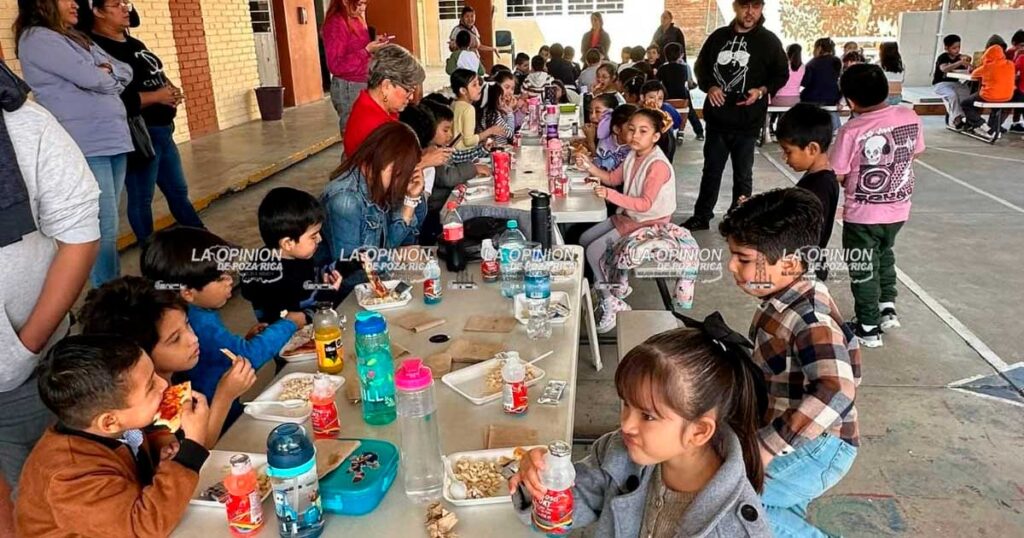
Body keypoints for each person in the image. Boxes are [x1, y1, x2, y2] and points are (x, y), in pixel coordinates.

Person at [510, 321, 771, 537]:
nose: (626, 425)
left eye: (647, 416)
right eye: (626, 404)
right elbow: (564, 511)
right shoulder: (617, 453)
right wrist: (541, 480)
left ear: (699, 431)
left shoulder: (736, 529)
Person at [718, 187, 860, 538]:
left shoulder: (811, 318)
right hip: (798, 436)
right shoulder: (781, 300)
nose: (731, 266)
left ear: (791, 264)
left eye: (743, 259)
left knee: (730, 504)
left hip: (819, 446)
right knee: (774, 513)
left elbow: (838, 390)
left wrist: (766, 446)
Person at [0, 62, 99, 511]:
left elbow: (79, 235)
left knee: (42, 497)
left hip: (21, 369)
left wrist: (26, 347)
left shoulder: (24, 124)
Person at [15, 335, 210, 536]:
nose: (163, 385)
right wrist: (191, 449)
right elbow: (141, 528)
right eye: (151, 386)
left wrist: (163, 461)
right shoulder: (69, 477)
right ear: (109, 422)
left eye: (155, 374)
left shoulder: (120, 426)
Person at [16, 0, 133, 286]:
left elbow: (125, 70)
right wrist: (103, 74)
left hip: (112, 139)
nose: (75, 3)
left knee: (109, 225)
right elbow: (92, 77)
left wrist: (105, 73)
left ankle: (111, 289)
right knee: (101, 228)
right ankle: (108, 296)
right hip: (86, 143)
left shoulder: (74, 37)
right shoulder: (38, 38)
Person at [140, 226, 306, 426]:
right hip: (217, 423)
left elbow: (222, 356)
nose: (230, 280)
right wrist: (289, 324)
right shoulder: (198, 321)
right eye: (220, 278)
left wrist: (243, 343)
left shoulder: (191, 313)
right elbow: (247, 357)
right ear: (188, 293)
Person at [78, 276, 258, 448]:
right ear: (137, 354)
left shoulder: (175, 375)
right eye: (175, 339)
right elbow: (196, 451)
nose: (193, 338)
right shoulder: (145, 406)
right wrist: (224, 396)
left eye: (187, 324)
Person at [81, 0, 204, 245]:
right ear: (97, 11)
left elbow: (155, 72)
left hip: (163, 131)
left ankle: (203, 241)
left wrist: (170, 88)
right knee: (141, 199)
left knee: (178, 191)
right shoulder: (95, 49)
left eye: (126, 3)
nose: (125, 9)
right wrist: (157, 97)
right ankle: (150, 251)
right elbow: (113, 96)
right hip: (140, 134)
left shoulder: (134, 43)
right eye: (116, 4)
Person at [831, 64, 924, 347]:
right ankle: (887, 307)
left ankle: (868, 327)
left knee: (863, 268)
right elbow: (915, 152)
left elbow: (838, 172)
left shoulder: (852, 130)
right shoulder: (909, 116)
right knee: (884, 254)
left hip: (863, 215)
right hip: (898, 209)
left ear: (850, 101)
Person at [683, 0, 788, 231]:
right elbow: (701, 67)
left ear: (761, 8)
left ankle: (740, 219)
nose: (750, 12)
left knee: (743, 175)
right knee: (711, 171)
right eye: (745, 6)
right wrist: (710, 86)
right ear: (735, 7)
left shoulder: (769, 41)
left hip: (748, 121)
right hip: (717, 119)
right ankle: (702, 216)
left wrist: (761, 90)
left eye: (755, 6)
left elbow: (781, 74)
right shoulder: (718, 37)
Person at [576, 109, 677, 331]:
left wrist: (609, 194)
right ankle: (609, 284)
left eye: (643, 131)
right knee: (584, 240)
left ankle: (611, 302)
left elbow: (645, 204)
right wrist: (589, 166)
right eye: (631, 129)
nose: (635, 135)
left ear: (656, 136)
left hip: (650, 223)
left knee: (593, 251)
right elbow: (613, 178)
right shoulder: (633, 154)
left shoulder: (657, 165)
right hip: (632, 216)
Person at [322, 122, 427, 281]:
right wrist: (395, 257)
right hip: (348, 292)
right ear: (380, 158)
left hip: (376, 282)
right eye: (398, 173)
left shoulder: (381, 184)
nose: (401, 181)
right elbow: (349, 274)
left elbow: (395, 245)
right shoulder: (345, 201)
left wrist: (411, 201)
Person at [240, 188, 343, 324]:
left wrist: (351, 262)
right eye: (313, 236)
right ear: (288, 243)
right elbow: (294, 321)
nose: (319, 239)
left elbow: (317, 276)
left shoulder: (298, 254)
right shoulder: (270, 280)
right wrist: (328, 296)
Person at [403, 102, 489, 246]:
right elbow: (447, 177)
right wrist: (473, 169)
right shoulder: (430, 154)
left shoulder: (434, 150)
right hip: (432, 212)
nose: (450, 135)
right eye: (445, 130)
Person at [775, 104, 839, 281]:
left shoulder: (818, 187)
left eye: (788, 151)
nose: (784, 158)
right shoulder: (819, 178)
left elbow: (806, 230)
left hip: (806, 268)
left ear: (812, 149)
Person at [343, 44, 423, 156]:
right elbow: (386, 165)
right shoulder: (375, 126)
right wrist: (424, 161)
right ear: (386, 86)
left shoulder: (370, 103)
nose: (411, 97)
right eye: (408, 90)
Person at [323, 0, 386, 136]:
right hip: (348, 86)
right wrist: (366, 51)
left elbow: (358, 47)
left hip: (363, 80)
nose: (363, 8)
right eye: (360, 3)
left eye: (365, 3)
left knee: (367, 131)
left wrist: (375, 43)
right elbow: (336, 65)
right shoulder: (336, 23)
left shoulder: (356, 18)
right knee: (354, 133)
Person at [961, 44, 1015, 136]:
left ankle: (980, 123)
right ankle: (993, 129)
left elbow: (973, 75)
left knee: (965, 104)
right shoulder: (1010, 64)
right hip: (1007, 96)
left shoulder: (987, 67)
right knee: (997, 108)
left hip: (989, 96)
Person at [657, 43, 704, 141]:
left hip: (667, 99)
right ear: (680, 55)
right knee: (690, 111)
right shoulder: (685, 67)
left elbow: (657, 83)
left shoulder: (662, 68)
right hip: (682, 99)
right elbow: (690, 83)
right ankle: (699, 132)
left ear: (665, 55)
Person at [450, 69, 504, 151]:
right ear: (463, 91)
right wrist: (490, 131)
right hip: (464, 153)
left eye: (479, 84)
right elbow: (468, 141)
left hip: (453, 152)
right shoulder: (468, 109)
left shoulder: (454, 104)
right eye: (474, 85)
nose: (479, 88)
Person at [800, 37, 842, 131]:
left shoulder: (812, 63)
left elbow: (805, 82)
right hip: (832, 97)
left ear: (819, 48)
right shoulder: (837, 61)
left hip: (812, 97)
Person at [932, 34, 974, 128]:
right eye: (954, 48)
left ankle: (968, 117)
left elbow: (969, 67)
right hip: (941, 84)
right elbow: (944, 68)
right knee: (952, 95)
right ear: (947, 48)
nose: (957, 50)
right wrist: (959, 63)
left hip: (955, 83)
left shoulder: (960, 57)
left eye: (959, 47)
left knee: (966, 93)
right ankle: (957, 119)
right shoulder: (943, 57)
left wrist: (968, 64)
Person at [769, 43, 804, 136]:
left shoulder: (783, 65)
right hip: (795, 99)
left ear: (787, 52)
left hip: (779, 98)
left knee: (771, 101)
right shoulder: (803, 67)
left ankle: (770, 125)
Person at [641, 80, 680, 162]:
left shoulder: (666, 113)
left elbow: (677, 123)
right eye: (651, 97)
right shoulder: (637, 114)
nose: (655, 102)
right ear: (642, 97)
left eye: (660, 99)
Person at [478, 70, 518, 145]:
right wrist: (510, 113)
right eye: (507, 87)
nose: (510, 92)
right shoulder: (492, 113)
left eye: (512, 89)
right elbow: (510, 134)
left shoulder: (497, 108)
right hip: (497, 148)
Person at [878, 41, 905, 106]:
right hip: (898, 97)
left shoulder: (878, 65)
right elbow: (902, 80)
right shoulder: (902, 65)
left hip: (883, 97)